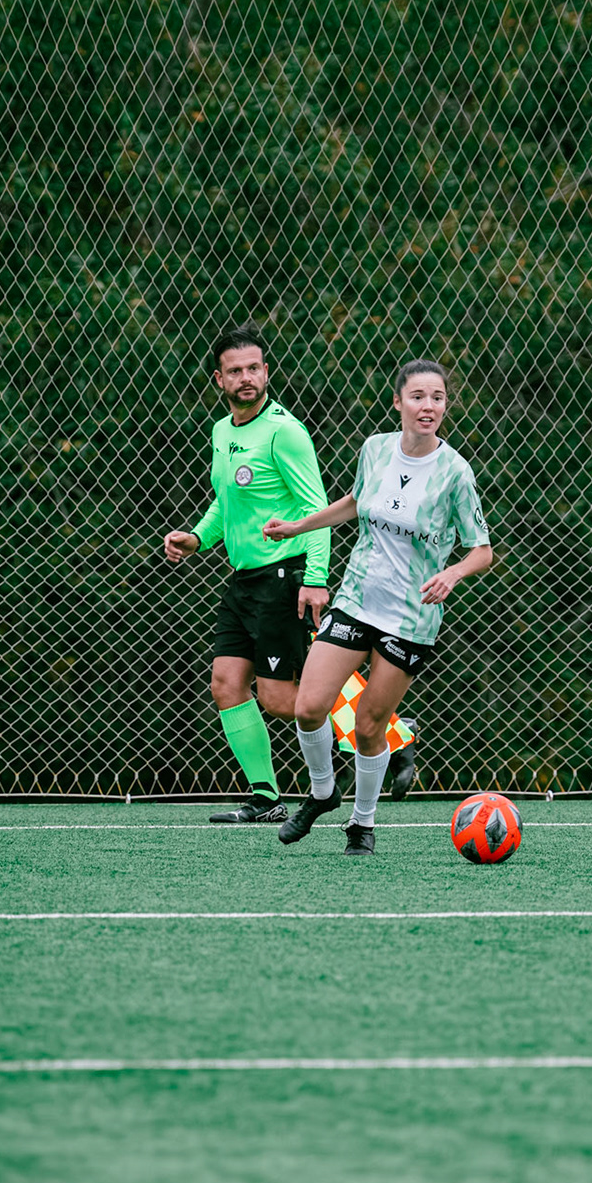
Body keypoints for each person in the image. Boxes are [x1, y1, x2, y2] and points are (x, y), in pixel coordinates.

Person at [263, 360, 492, 854]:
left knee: (369, 726)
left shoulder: (455, 473)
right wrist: (298, 527)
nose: (427, 406)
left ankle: (362, 824)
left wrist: (453, 572)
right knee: (308, 707)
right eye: (417, 396)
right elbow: (353, 502)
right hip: (357, 600)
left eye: (436, 397)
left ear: (444, 405)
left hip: (411, 618)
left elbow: (482, 550)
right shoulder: (375, 449)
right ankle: (323, 790)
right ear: (398, 403)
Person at [164, 324, 333, 823]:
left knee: (282, 701)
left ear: (266, 372)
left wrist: (317, 577)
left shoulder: (285, 431)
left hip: (285, 575)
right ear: (219, 379)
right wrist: (197, 538)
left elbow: (316, 508)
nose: (245, 378)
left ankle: (388, 731)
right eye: (234, 371)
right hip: (243, 580)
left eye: (253, 368)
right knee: (225, 683)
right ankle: (266, 797)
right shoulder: (221, 431)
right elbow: (227, 502)